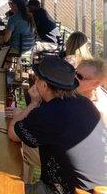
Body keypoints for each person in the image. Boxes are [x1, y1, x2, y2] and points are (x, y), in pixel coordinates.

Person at [8, 56, 106, 193]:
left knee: (0, 188)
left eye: (37, 79)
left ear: (43, 85)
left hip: (66, 190)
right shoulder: (86, 104)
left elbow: (12, 132)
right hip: (97, 188)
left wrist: (33, 103)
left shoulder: (48, 113)